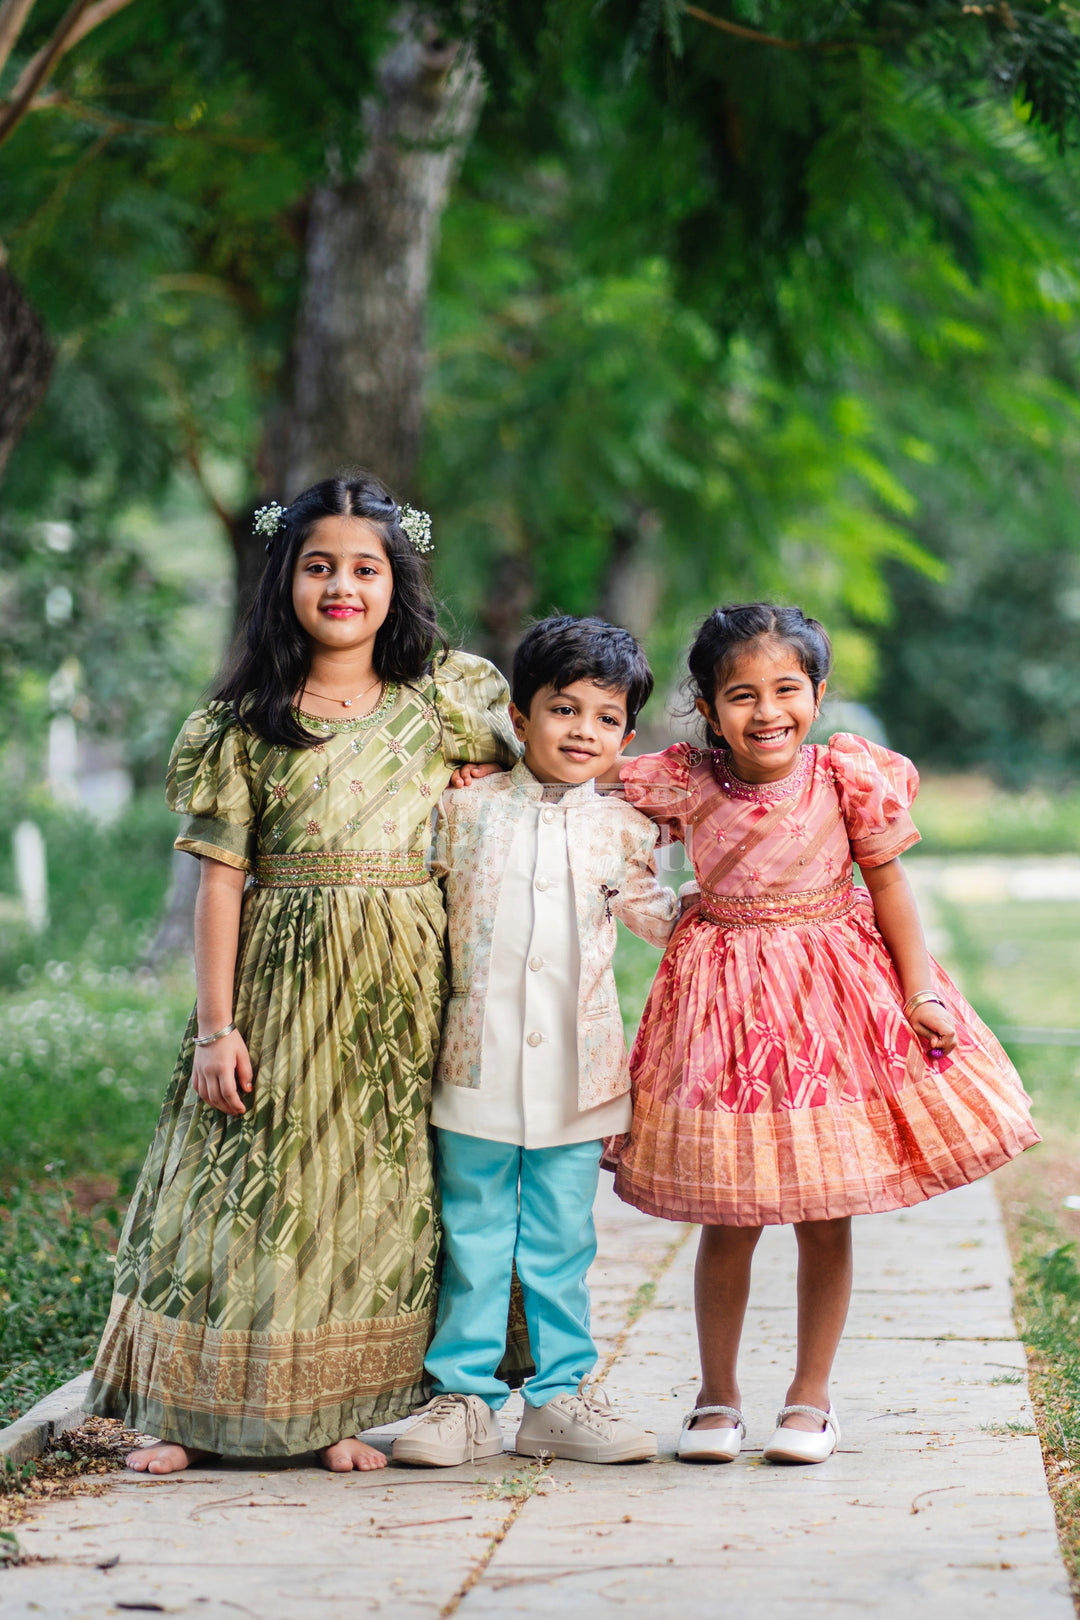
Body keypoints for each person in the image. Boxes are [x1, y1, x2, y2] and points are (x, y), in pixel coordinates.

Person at [86, 473, 521, 1475]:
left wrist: (489, 776)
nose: (342, 586)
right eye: (320, 565)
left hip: (403, 984)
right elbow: (220, 885)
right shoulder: (248, 722)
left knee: (374, 1190)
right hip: (279, 983)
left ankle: (339, 1410)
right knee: (239, 1181)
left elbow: (541, 763)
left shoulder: (442, 700)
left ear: (394, 583)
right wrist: (214, 1025)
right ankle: (187, 1413)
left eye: (365, 569)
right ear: (285, 577)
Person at [615, 603, 1038, 1466]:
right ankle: (717, 1395)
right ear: (705, 704)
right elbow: (581, 775)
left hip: (832, 1011)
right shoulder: (688, 780)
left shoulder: (844, 776)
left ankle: (811, 1397)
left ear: (817, 693)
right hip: (722, 1011)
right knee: (726, 1214)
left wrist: (922, 990)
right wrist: (490, 764)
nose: (766, 712)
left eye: (786, 689)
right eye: (740, 694)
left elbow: (889, 887)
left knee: (826, 1211)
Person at [391, 615, 680, 1468]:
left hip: (578, 1077)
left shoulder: (627, 830)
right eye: (563, 709)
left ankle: (559, 1398)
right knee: (474, 1238)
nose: (582, 731)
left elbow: (657, 921)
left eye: (605, 717)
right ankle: (464, 1400)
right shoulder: (461, 811)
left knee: (560, 1244)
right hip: (471, 1066)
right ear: (520, 718)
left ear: (627, 736)